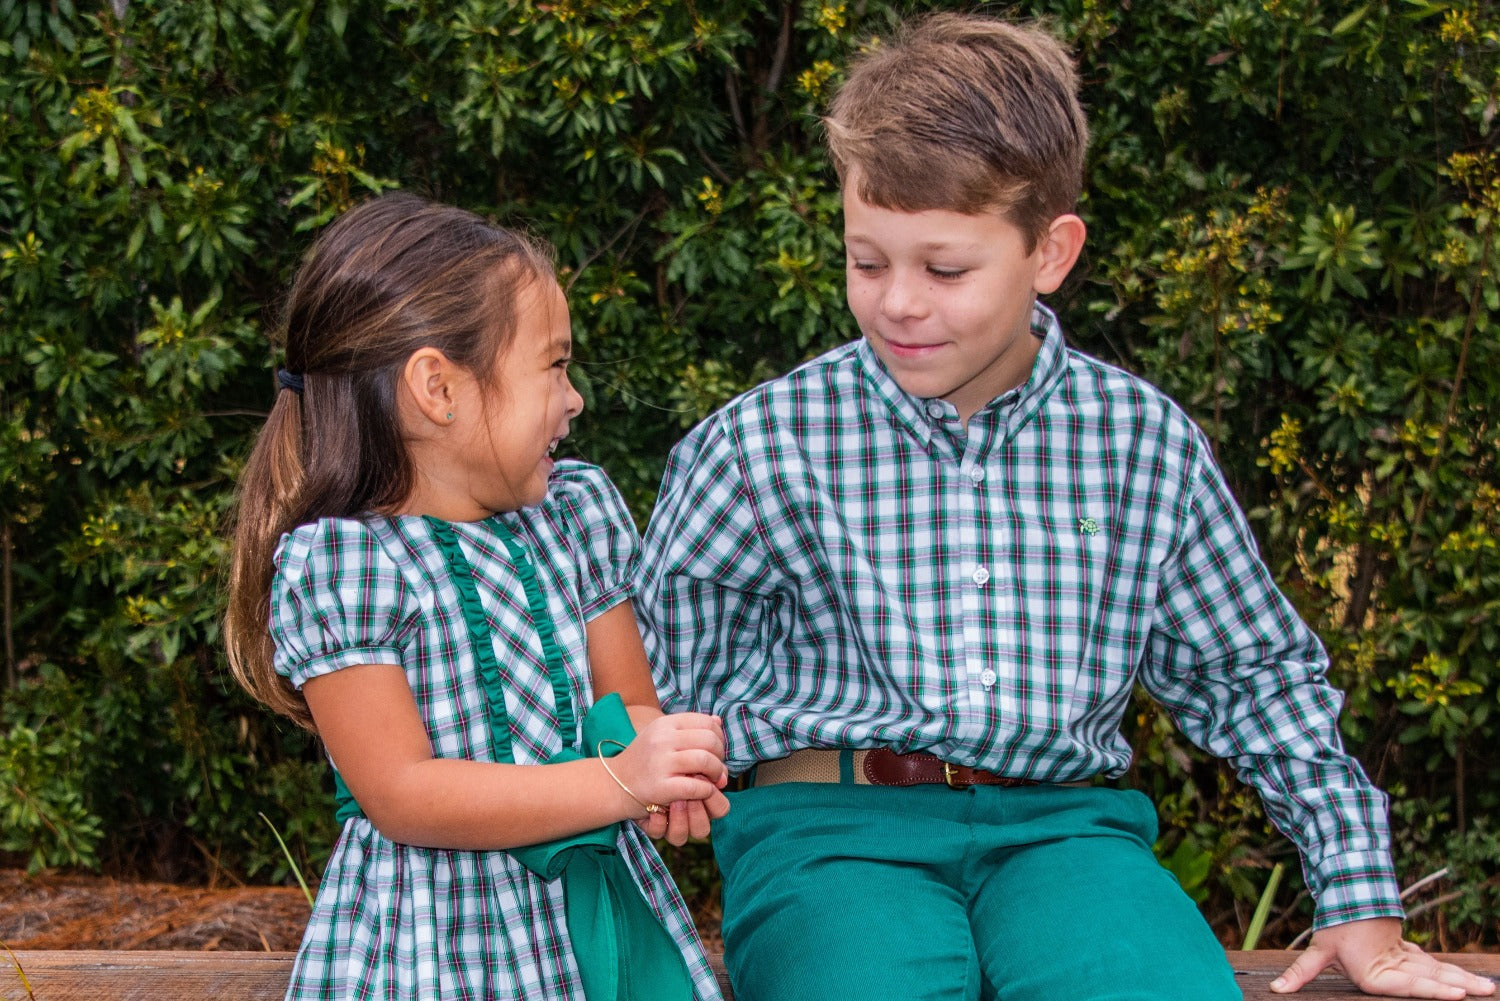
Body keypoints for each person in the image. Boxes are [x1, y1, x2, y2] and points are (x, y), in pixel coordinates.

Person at [636, 14, 1496, 1001]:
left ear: (1050, 252)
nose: (897, 302)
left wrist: (1356, 890)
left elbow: (1253, 672)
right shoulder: (755, 445)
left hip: (1065, 829)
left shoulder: (1139, 440)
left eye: (944, 268)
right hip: (829, 829)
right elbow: (652, 697)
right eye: (866, 260)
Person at [224, 192, 728, 1001]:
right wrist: (616, 783)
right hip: (436, 938)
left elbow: (629, 701)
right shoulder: (345, 565)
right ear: (439, 388)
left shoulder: (576, 513)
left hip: (587, 915)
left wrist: (662, 767)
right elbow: (405, 793)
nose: (575, 398)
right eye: (555, 365)